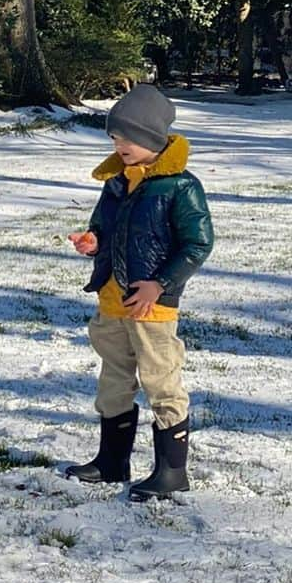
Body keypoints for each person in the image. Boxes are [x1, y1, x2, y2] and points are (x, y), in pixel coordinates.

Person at [66, 85, 214, 501]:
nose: (120, 145)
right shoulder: (116, 183)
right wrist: (93, 241)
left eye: (128, 138)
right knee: (113, 379)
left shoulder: (180, 187)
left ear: (152, 138)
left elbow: (198, 244)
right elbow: (103, 227)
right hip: (112, 302)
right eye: (114, 138)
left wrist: (160, 284)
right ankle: (112, 461)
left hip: (152, 309)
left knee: (160, 380)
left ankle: (172, 471)